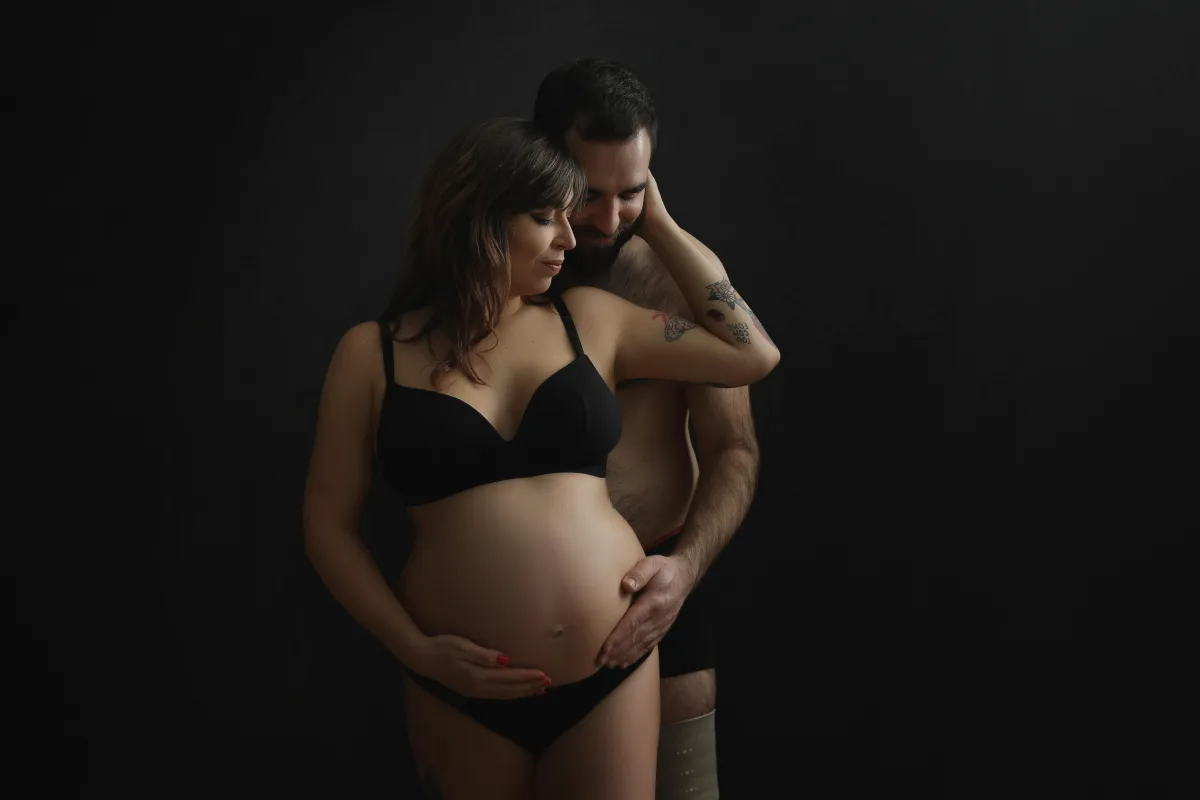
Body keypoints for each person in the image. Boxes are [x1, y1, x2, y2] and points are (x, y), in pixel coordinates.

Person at [302, 116, 779, 800]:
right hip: (462, 685)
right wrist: (413, 649)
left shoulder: (588, 317)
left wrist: (661, 224)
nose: (570, 235)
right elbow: (326, 526)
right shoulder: (370, 355)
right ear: (477, 218)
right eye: (542, 216)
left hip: (610, 674)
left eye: (567, 215)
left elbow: (753, 353)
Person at [533, 59, 763, 799]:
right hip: (532, 613)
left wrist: (684, 574)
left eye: (631, 192)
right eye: (588, 194)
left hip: (658, 593)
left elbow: (734, 451)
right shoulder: (508, 275)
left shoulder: (673, 279)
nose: (606, 219)